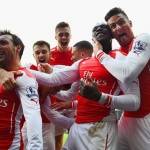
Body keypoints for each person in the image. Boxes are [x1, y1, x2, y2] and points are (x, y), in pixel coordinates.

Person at [29, 23, 140, 150]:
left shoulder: (120, 60)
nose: (99, 29)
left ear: (112, 36)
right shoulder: (83, 63)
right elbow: (53, 79)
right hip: (77, 127)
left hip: (101, 129)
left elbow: (135, 102)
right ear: (92, 39)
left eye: (104, 27)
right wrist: (20, 71)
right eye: (95, 29)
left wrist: (100, 97)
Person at [93, 7, 150, 150]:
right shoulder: (114, 54)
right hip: (126, 118)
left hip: (146, 117)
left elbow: (127, 73)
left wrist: (99, 53)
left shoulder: (143, 39)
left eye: (121, 22)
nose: (118, 28)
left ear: (130, 23)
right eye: (113, 26)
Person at [0, 31, 43, 149]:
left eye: (3, 43)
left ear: (17, 48)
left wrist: (35, 147)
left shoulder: (23, 76)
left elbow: (33, 116)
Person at [22, 40, 55, 150]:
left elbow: (42, 98)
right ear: (33, 55)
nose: (40, 55)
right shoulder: (28, 69)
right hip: (28, 122)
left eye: (44, 51)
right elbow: (37, 99)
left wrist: (48, 76)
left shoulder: (56, 72)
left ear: (50, 54)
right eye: (37, 52)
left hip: (47, 121)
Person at [49, 21, 73, 150]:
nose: (64, 37)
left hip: (73, 103)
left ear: (71, 35)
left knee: (78, 136)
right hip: (56, 103)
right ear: (55, 36)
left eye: (66, 34)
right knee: (57, 139)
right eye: (61, 35)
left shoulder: (76, 53)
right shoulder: (49, 55)